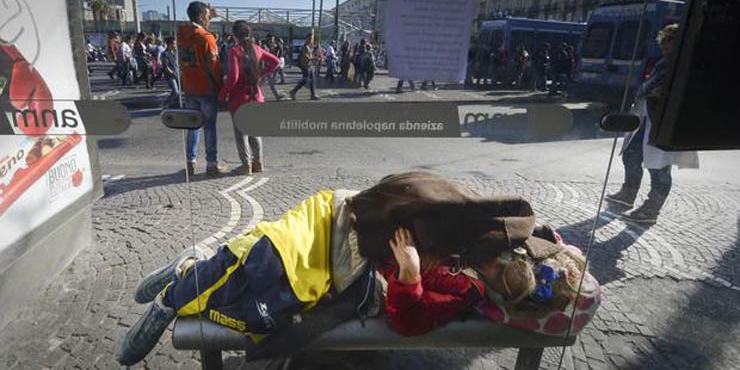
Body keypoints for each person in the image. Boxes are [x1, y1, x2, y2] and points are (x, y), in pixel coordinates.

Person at [117, 172, 599, 366]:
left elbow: (408, 321)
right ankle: (176, 293)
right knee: (271, 249)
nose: (498, 272)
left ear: (510, 302)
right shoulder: (486, 227)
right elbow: (413, 189)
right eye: (512, 265)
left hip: (353, 271)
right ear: (527, 252)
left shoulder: (466, 294)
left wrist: (410, 276)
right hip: (341, 217)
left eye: (507, 286)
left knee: (266, 277)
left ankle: (187, 275)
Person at [606, 24, 699, 224]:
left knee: (659, 166)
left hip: (665, 120)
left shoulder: (685, 63)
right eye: (664, 42)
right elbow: (649, 87)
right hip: (647, 114)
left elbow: (680, 90)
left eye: (670, 42)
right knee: (631, 154)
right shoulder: (664, 62)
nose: (665, 46)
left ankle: (652, 209)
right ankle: (629, 192)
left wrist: (660, 92)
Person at [218, 21, 280, 175]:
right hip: (256, 96)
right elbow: (276, 62)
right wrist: (260, 74)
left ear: (234, 35)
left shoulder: (234, 50)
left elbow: (233, 76)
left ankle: (246, 165)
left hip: (239, 98)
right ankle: (258, 162)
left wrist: (222, 94)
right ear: (249, 34)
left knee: (241, 134)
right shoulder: (257, 48)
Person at [179, 1, 227, 177]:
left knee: (193, 127)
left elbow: (198, 29)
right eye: (207, 17)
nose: (209, 19)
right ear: (201, 17)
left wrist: (209, 17)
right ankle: (211, 164)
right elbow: (214, 67)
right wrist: (221, 88)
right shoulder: (207, 38)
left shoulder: (181, 34)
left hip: (189, 88)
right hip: (207, 89)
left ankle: (190, 163)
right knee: (209, 128)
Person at [289, 33, 320, 101]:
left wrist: (315, 54)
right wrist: (315, 58)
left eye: (312, 39)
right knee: (305, 80)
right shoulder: (305, 47)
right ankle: (293, 91)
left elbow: (310, 55)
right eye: (310, 38)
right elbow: (307, 57)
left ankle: (313, 94)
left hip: (309, 65)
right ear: (307, 39)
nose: (311, 40)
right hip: (305, 66)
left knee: (312, 80)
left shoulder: (309, 46)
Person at [161, 37, 180, 108]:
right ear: (169, 44)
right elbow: (165, 66)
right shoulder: (165, 54)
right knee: (175, 91)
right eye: (173, 44)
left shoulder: (175, 52)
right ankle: (165, 104)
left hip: (177, 73)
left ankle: (175, 105)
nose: (175, 45)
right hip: (170, 76)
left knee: (179, 92)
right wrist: (172, 73)